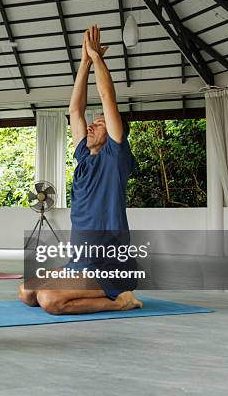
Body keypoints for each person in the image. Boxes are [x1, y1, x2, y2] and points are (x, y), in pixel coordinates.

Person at [18, 25, 143, 314]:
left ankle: (121, 300)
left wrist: (98, 59)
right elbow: (75, 110)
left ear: (114, 131)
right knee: (26, 292)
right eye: (94, 122)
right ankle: (89, 287)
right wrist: (84, 63)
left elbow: (107, 97)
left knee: (50, 301)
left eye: (99, 123)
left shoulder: (115, 158)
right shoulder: (84, 159)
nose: (91, 125)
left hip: (110, 265)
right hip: (80, 262)